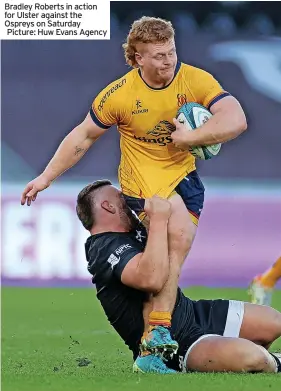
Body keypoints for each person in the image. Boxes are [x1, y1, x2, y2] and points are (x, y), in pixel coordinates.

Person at [21, 17, 247, 355]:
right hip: (143, 182)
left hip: (186, 180)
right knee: (176, 236)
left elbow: (236, 119)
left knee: (174, 258)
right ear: (137, 57)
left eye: (171, 52)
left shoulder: (196, 79)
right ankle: (154, 335)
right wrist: (46, 177)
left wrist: (193, 137)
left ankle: (158, 332)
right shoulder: (120, 94)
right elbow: (82, 137)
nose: (168, 61)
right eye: (158, 56)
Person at [76, 180, 281, 374]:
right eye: (122, 197)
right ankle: (267, 360)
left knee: (274, 321)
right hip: (175, 343)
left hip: (192, 313)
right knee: (254, 358)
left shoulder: (132, 230)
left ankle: (232, 352)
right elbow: (151, 280)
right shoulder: (103, 247)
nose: (129, 200)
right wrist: (158, 219)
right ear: (108, 206)